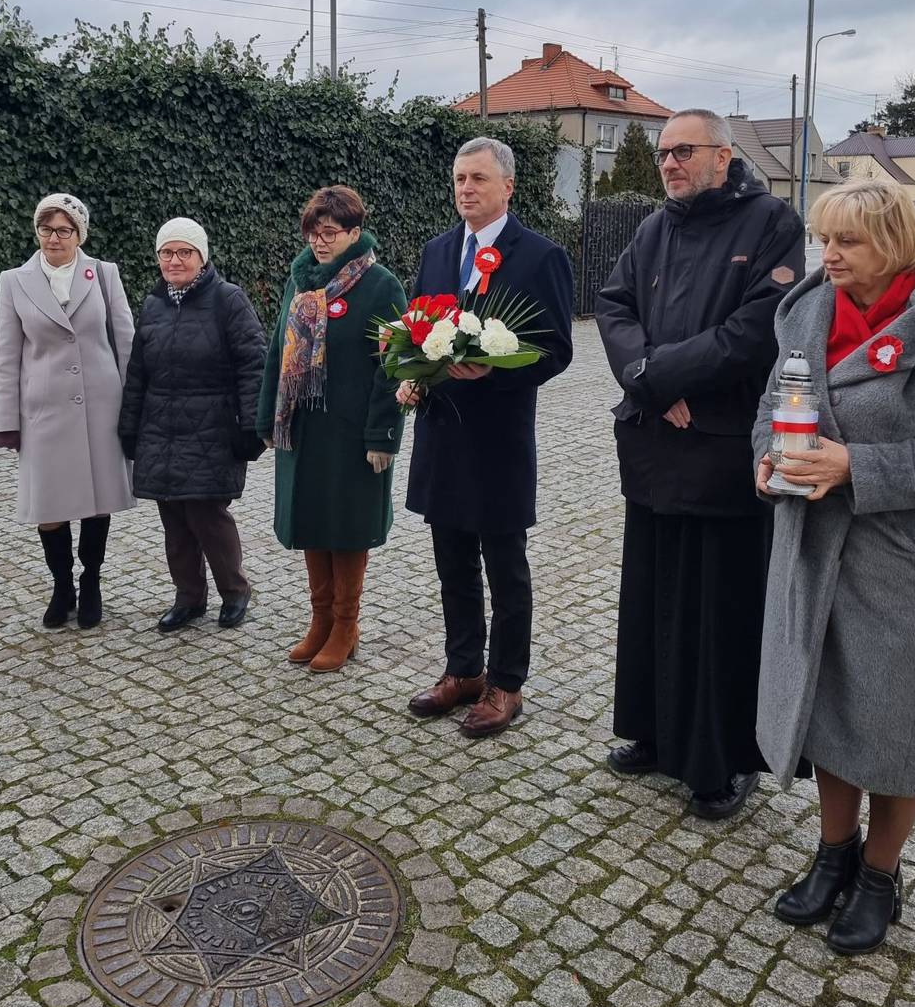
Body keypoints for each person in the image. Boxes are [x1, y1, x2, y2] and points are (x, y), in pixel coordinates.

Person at [754, 178, 915, 954]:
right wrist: (766, 460)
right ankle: (832, 856)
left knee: (897, 727)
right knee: (831, 715)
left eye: (847, 241)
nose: (827, 254)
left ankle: (879, 874)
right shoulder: (807, 311)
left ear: (892, 242)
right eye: (823, 238)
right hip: (816, 550)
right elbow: (772, 405)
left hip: (907, 563)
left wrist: (856, 464)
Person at [595, 110, 805, 818]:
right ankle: (653, 732)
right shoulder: (656, 226)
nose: (669, 162)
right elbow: (614, 304)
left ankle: (723, 758)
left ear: (724, 154)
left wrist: (668, 377)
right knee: (652, 601)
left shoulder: (772, 222)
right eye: (663, 152)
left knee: (720, 610)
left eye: (683, 149)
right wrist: (650, 380)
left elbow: (757, 329)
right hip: (656, 445)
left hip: (720, 447)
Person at [403, 137, 574, 737]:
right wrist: (411, 375)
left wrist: (498, 370)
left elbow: (557, 350)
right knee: (451, 562)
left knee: (506, 567)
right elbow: (418, 330)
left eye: (477, 178)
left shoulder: (540, 256)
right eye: (458, 179)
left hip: (499, 436)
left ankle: (507, 683)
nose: (466, 189)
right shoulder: (438, 250)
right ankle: (463, 671)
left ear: (508, 187)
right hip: (442, 435)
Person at [255, 186, 406, 672]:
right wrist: (265, 419)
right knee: (313, 522)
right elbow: (278, 352)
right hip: (303, 428)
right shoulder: (300, 280)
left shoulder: (380, 284)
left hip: (351, 430)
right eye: (312, 233)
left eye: (329, 234)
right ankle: (319, 620)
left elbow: (395, 364)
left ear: (355, 233)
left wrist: (382, 434)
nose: (319, 243)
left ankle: (346, 624)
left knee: (347, 525)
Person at [0, 192, 135, 630]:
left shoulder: (104, 274)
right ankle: (61, 586)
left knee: (96, 502)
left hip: (100, 406)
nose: (54, 238)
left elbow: (125, 341)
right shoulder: (14, 281)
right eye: (46, 228)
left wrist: (134, 409)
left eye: (64, 229)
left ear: (79, 234)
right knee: (49, 507)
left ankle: (91, 582)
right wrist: (6, 421)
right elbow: (6, 355)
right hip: (45, 411)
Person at [118, 218, 266, 633]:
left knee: (207, 514)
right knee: (174, 518)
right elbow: (137, 373)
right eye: (167, 253)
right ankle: (189, 597)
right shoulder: (153, 304)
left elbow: (253, 365)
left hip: (212, 427)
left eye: (185, 252)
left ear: (202, 258)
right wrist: (129, 428)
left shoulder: (228, 299)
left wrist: (252, 426)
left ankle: (234, 590)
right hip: (160, 427)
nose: (175, 260)